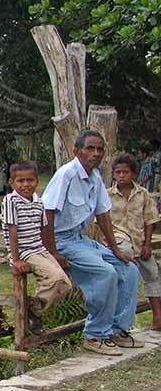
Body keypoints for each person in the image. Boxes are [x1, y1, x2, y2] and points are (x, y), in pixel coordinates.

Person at [42, 129, 142, 356]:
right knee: (105, 273)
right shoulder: (66, 174)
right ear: (77, 151)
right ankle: (95, 334)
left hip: (80, 239)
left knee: (128, 269)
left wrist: (115, 250)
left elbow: (103, 214)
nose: (96, 153)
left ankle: (116, 330)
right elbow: (47, 212)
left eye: (99, 149)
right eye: (90, 148)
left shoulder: (95, 177)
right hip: (62, 241)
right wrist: (53, 252)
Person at [1, 162, 72, 329]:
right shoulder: (11, 200)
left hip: (39, 249)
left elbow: (43, 229)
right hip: (25, 251)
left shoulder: (38, 201)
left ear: (37, 181)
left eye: (30, 180)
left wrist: (52, 253)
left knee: (66, 285)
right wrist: (16, 260)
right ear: (12, 183)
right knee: (55, 277)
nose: (26, 184)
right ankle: (32, 313)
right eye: (21, 181)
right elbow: (12, 230)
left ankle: (33, 308)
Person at [109, 153, 161, 330]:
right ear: (113, 174)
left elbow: (150, 220)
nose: (121, 176)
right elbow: (101, 221)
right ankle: (121, 321)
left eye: (125, 172)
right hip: (119, 243)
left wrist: (147, 244)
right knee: (124, 275)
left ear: (133, 174)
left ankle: (157, 316)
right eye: (118, 172)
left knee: (153, 274)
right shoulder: (108, 195)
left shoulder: (143, 194)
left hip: (139, 242)